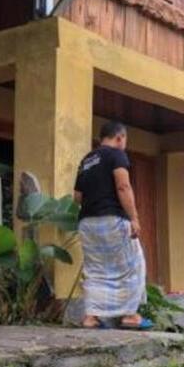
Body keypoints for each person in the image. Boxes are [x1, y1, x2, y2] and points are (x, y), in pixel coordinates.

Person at [74, 121, 152, 330]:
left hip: (87, 222)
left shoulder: (87, 160)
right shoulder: (116, 154)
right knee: (133, 265)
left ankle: (91, 317)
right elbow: (123, 186)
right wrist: (134, 218)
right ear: (119, 138)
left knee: (96, 269)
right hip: (111, 219)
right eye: (124, 140)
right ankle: (130, 315)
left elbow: (77, 197)